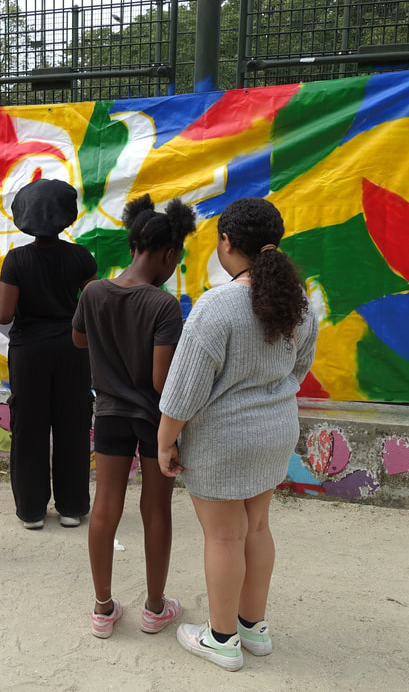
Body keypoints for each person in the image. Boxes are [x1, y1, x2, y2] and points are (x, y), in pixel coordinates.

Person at [157, 197, 318, 671]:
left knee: (224, 538)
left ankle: (222, 639)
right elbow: (299, 367)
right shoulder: (298, 301)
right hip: (275, 431)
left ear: (227, 242)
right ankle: (254, 629)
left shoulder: (216, 305)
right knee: (258, 528)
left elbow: (184, 388)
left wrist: (166, 440)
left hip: (223, 440)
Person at [72, 195, 196, 638]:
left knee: (105, 506)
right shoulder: (163, 306)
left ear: (131, 247)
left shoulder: (94, 292)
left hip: (107, 414)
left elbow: (80, 341)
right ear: (169, 254)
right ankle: (154, 608)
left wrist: (112, 343)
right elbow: (162, 381)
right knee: (155, 508)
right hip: (153, 420)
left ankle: (103, 610)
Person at [0, 178, 96, 530]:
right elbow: (95, 303)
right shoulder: (82, 256)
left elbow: (4, 316)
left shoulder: (16, 260)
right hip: (73, 349)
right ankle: (72, 507)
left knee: (29, 429)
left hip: (29, 354)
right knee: (73, 425)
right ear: (66, 217)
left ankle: (32, 511)